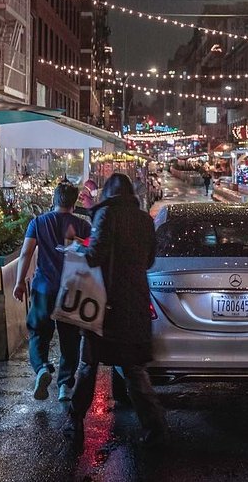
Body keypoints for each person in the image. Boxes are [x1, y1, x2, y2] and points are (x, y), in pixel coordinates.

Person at [63, 173, 166, 444]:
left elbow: (94, 256)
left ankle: (75, 421)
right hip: (135, 303)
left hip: (104, 304)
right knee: (133, 368)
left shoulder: (105, 215)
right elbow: (149, 261)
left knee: (88, 366)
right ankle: (155, 425)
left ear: (108, 193)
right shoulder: (145, 220)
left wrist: (77, 247)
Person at [13, 182, 91, 402]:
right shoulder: (82, 226)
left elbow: (26, 253)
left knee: (38, 332)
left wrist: (19, 282)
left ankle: (41, 369)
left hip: (43, 288)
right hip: (71, 290)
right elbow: (90, 256)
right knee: (70, 339)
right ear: (74, 203)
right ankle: (65, 385)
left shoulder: (38, 223)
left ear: (54, 200)